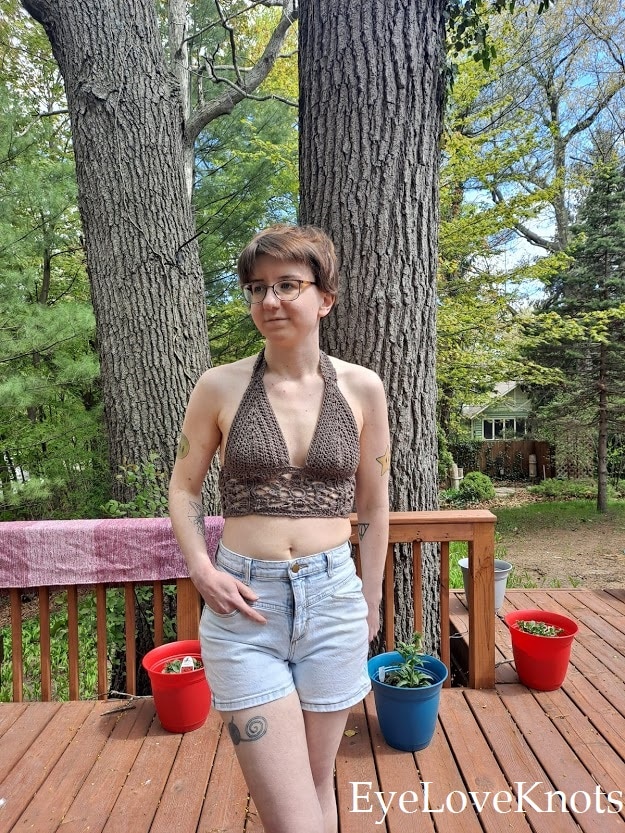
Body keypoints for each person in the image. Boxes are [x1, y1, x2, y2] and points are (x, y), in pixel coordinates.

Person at [169, 224, 390, 833]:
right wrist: (201, 567)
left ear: (325, 297)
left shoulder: (362, 388)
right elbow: (185, 487)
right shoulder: (219, 385)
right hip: (246, 611)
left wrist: (367, 601)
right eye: (257, 288)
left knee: (319, 783)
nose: (269, 301)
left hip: (333, 602)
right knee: (291, 816)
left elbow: (372, 506)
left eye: (287, 285)